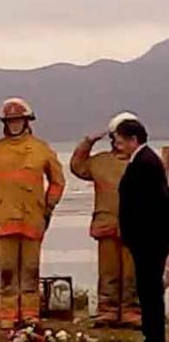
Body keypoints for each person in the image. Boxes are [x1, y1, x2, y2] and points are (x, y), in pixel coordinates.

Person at [0, 97, 65, 329]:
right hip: (5, 218)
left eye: (19, 120)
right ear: (5, 123)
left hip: (33, 218)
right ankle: (7, 316)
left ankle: (30, 315)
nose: (15, 124)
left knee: (30, 270)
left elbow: (58, 181)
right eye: (11, 121)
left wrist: (49, 205)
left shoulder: (41, 149)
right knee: (6, 271)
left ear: (27, 121)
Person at [70, 112, 140, 327]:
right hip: (106, 224)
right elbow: (77, 167)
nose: (120, 141)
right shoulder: (100, 162)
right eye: (117, 136)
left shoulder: (144, 161)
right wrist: (87, 143)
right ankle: (107, 310)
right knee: (108, 272)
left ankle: (132, 311)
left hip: (137, 227)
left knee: (133, 273)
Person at [114, 119, 169, 342]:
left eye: (119, 142)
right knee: (148, 290)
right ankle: (151, 339)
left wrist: (138, 234)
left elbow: (151, 205)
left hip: (149, 240)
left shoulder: (145, 163)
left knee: (150, 291)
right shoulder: (145, 160)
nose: (117, 146)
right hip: (148, 239)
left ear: (133, 140)